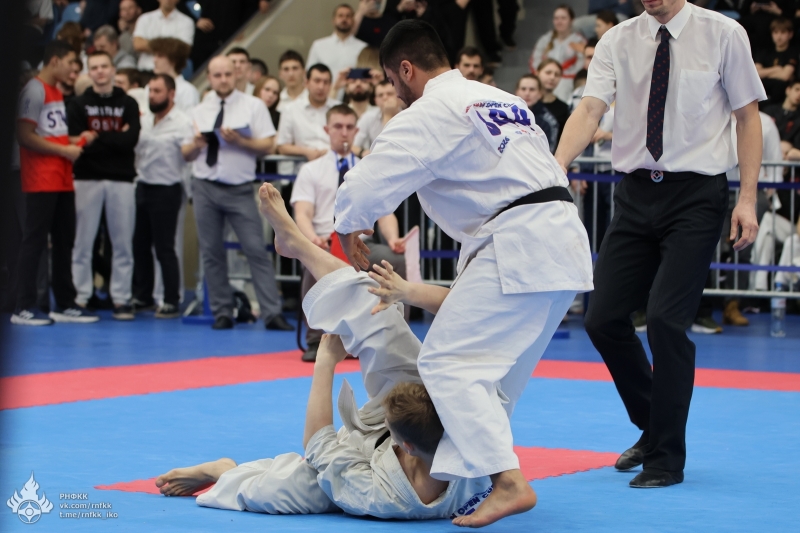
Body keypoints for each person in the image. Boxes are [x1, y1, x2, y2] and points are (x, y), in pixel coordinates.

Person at [334, 20, 593, 527]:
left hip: (518, 242)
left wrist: (347, 224)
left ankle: (507, 481)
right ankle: (472, 480)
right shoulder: (503, 99)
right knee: (495, 375)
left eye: (391, 80)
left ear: (405, 69)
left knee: (446, 363)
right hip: (563, 240)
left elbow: (368, 181)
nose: (394, 92)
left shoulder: (432, 109)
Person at [156, 184, 492, 519]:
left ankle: (225, 471)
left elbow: (318, 447)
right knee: (378, 307)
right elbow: (470, 322)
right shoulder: (471, 437)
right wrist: (405, 292)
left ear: (405, 446)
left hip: (368, 462)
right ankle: (297, 243)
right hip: (420, 416)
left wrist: (325, 362)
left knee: (282, 490)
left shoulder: (380, 496)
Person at [555, 0, 765, 488]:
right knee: (602, 319)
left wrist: (748, 198)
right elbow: (590, 109)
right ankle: (654, 425)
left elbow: (747, 116)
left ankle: (666, 457)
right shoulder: (617, 40)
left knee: (667, 322)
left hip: (696, 196)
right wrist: (556, 166)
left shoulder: (723, 34)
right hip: (634, 194)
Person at [181, 56, 292, 331]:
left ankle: (272, 313)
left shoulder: (253, 105)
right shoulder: (199, 109)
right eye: (217, 75)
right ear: (209, 77)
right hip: (205, 185)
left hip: (240, 187)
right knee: (211, 252)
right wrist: (197, 144)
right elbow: (185, 153)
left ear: (237, 74)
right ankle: (222, 311)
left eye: (227, 74)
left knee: (255, 249)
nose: (223, 80)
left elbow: (268, 145)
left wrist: (240, 140)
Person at [290, 104, 406, 362]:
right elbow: (302, 213)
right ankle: (315, 340)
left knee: (394, 259)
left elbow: (385, 212)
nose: (344, 132)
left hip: (363, 243)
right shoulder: (311, 170)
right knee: (311, 258)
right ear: (327, 130)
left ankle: (395, 337)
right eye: (338, 127)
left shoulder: (368, 168)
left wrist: (393, 239)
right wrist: (312, 239)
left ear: (356, 131)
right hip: (323, 240)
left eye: (349, 127)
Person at [12, 40, 99, 326]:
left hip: (61, 177)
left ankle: (64, 303)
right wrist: (64, 150)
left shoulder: (56, 92)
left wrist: (74, 140)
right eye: (70, 62)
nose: (74, 69)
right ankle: (24, 305)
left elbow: (49, 133)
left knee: (64, 241)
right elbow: (24, 136)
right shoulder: (34, 90)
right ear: (55, 61)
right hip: (41, 178)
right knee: (35, 241)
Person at [68, 51, 141, 320]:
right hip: (86, 178)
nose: (100, 71)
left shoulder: (129, 103)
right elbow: (77, 143)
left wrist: (96, 137)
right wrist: (114, 136)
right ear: (89, 72)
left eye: (104, 66)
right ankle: (81, 296)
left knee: (122, 244)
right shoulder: (78, 104)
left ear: (112, 70)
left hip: (121, 179)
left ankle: (121, 299)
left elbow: (130, 140)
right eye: (94, 67)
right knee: (82, 242)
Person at [132, 74, 193, 319]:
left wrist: (197, 145)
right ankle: (144, 295)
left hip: (167, 188)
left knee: (165, 247)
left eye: (157, 91)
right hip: (143, 184)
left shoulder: (183, 121)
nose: (152, 96)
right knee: (140, 244)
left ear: (171, 94)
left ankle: (170, 299)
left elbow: (188, 154)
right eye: (150, 91)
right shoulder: (145, 120)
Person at [276, 63, 339, 168]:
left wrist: (331, 151)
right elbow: (282, 146)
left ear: (330, 85)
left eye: (326, 82)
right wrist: (306, 152)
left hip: (334, 167)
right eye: (317, 81)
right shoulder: (290, 109)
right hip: (302, 168)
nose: (321, 87)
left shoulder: (340, 109)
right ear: (306, 82)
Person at [530, 5, 585, 103]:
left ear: (571, 20)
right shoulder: (545, 39)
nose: (559, 22)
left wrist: (562, 76)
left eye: (563, 18)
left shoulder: (579, 40)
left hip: (568, 82)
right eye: (556, 18)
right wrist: (545, 74)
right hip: (544, 81)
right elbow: (535, 61)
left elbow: (583, 63)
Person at [307, 4, 368, 85]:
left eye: (348, 16)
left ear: (353, 21)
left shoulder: (363, 48)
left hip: (353, 92)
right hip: (325, 92)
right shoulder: (318, 46)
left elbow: (366, 77)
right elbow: (309, 74)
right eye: (340, 16)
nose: (344, 19)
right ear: (333, 20)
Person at [133, 0, 195, 71]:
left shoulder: (187, 22)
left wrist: (151, 45)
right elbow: (138, 45)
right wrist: (171, 46)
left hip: (171, 72)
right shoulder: (144, 18)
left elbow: (183, 49)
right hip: (145, 70)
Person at [754, 18, 798, 108]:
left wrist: (765, 72)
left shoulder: (793, 53)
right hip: (763, 86)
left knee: (779, 86)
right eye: (776, 32)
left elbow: (785, 76)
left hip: (780, 91)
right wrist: (776, 69)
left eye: (783, 33)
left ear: (790, 34)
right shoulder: (764, 51)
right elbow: (755, 73)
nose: (779, 36)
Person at [353, 79, 402, 157]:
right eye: (380, 95)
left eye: (389, 94)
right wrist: (362, 152)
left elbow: (389, 147)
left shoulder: (409, 115)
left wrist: (387, 115)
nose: (385, 98)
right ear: (376, 101)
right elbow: (352, 145)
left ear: (399, 97)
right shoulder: (368, 116)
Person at [149, 37, 199, 111]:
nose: (154, 60)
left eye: (160, 56)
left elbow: (190, 117)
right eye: (154, 55)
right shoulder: (149, 87)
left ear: (173, 60)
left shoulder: (187, 91)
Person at [515, 74, 556, 154]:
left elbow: (549, 153)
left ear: (540, 94)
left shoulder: (548, 122)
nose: (527, 93)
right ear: (517, 92)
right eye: (523, 89)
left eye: (532, 89)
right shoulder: (506, 115)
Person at [537, 59, 570, 143]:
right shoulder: (527, 104)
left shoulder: (564, 108)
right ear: (537, 73)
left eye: (557, 75)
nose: (552, 77)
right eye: (548, 73)